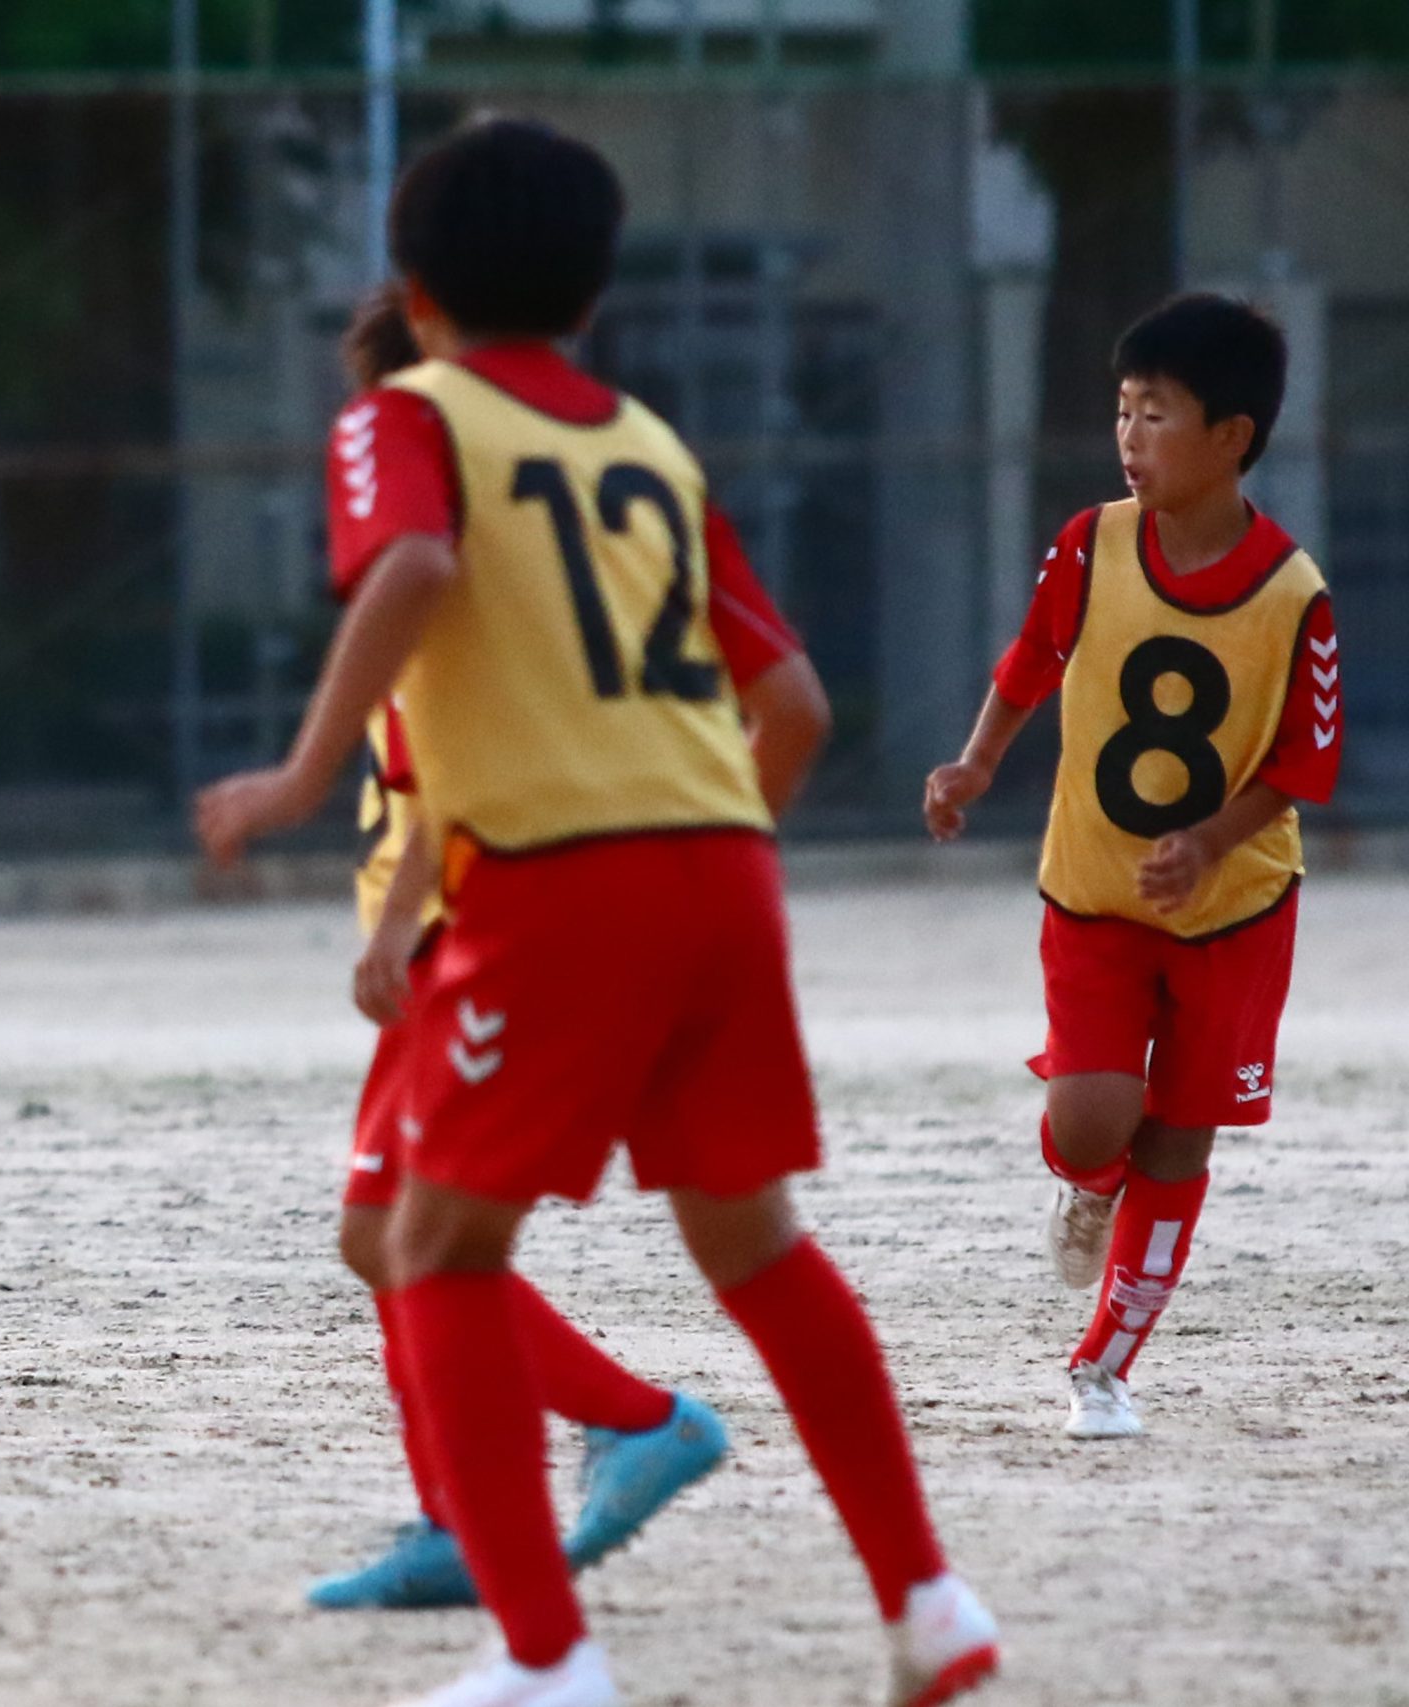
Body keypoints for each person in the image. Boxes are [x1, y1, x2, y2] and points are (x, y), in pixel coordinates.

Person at [197, 119, 995, 1707]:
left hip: (564, 881)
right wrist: (693, 853)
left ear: (415, 296)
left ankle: (547, 1658)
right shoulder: (647, 442)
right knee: (753, 1238)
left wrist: (296, 776)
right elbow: (798, 703)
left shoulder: (405, 414)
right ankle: (929, 1601)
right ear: (592, 299)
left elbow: (415, 562)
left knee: (430, 1242)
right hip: (722, 862)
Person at [310, 287, 835, 1613]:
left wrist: (394, 918)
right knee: (396, 1234)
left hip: (477, 927)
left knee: (398, 1233)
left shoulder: (458, 534)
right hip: (494, 918)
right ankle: (463, 1512)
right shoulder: (474, 528)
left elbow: (446, 777)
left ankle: (626, 1423)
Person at [925, 294, 1342, 1441]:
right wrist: (973, 765)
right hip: (1097, 892)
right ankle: (1085, 1187)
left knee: (1180, 1136)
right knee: (1094, 1121)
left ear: (1232, 437)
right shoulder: (1089, 542)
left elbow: (1306, 765)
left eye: (1154, 415)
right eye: (1120, 412)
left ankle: (1102, 1368)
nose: (1127, 437)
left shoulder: (1293, 594)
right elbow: (1030, 657)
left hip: (1235, 914)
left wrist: (1212, 838)